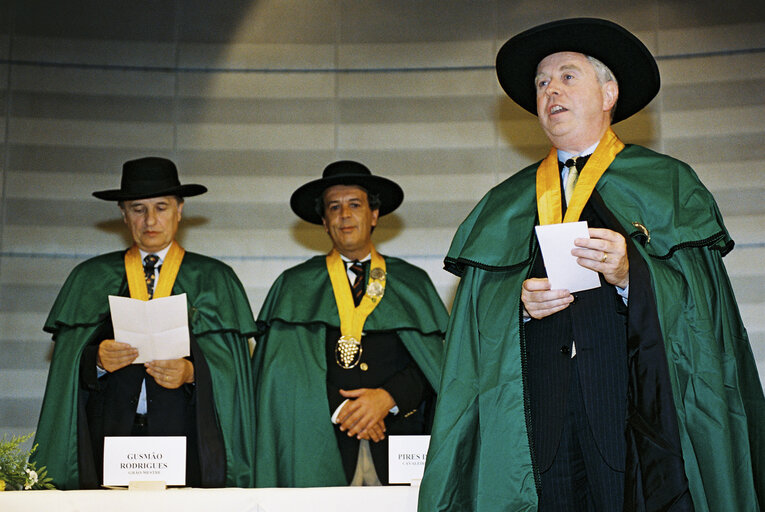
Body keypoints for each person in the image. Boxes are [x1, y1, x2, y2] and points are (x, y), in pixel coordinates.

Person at [419, 17, 764, 511]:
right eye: (541, 83)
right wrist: (517, 305)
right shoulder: (505, 201)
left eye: (566, 76)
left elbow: (701, 311)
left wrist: (631, 275)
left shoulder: (667, 185)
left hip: (633, 415)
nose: (549, 91)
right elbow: (475, 327)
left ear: (608, 94)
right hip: (536, 422)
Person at [32, 157, 258, 489]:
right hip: (110, 436)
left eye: (161, 207)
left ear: (179, 211)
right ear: (123, 214)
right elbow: (67, 368)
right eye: (138, 209)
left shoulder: (214, 279)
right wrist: (94, 360)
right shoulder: (90, 278)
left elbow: (233, 375)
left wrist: (192, 373)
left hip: (187, 435)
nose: (150, 220)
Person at [254, 160, 447, 487]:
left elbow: (438, 365)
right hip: (318, 446)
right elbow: (280, 372)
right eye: (334, 207)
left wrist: (387, 398)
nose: (344, 215)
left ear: (373, 215)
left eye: (355, 205)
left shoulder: (412, 283)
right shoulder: (294, 286)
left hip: (399, 443)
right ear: (324, 222)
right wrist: (341, 408)